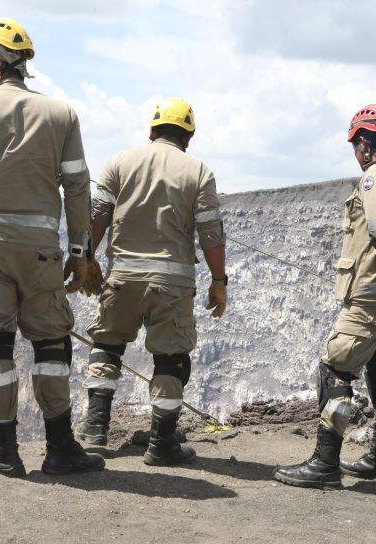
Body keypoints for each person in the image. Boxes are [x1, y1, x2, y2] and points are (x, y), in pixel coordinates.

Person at [0, 17, 104, 477]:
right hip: (41, 252)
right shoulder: (62, 114)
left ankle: (5, 453)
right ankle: (62, 449)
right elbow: (78, 188)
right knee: (51, 343)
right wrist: (82, 254)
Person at [274, 104, 376, 488]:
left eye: (356, 145)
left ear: (365, 144)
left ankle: (325, 464)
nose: (356, 152)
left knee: (335, 368)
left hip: (373, 292)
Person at [74, 97, 227, 466]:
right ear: (187, 137)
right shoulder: (198, 171)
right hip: (171, 285)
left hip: (122, 277)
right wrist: (219, 280)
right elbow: (211, 232)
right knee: (171, 360)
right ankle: (162, 446)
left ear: (152, 131)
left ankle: (95, 431)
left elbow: (96, 217)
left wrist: (86, 258)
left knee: (107, 348)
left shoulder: (119, 162)